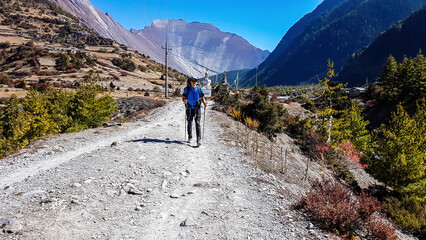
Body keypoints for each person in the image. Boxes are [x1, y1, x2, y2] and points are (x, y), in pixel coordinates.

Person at [182, 77, 207, 146]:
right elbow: (183, 97)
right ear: (190, 81)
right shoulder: (186, 89)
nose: (194, 82)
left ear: (197, 82)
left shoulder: (199, 89)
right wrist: (184, 101)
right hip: (189, 108)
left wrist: (204, 103)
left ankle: (198, 139)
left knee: (197, 122)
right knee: (189, 122)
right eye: (193, 81)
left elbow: (202, 97)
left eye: (195, 81)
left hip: (197, 108)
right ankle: (190, 137)